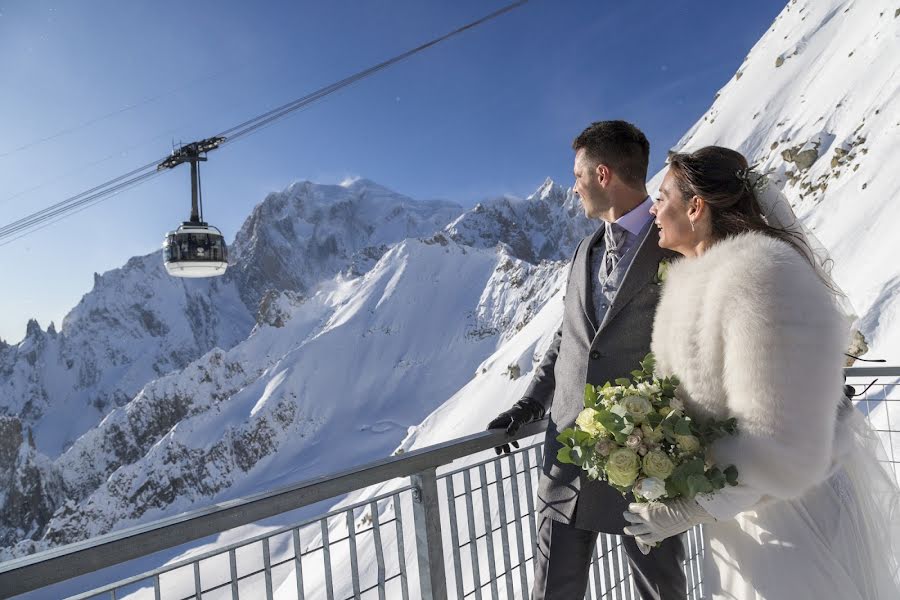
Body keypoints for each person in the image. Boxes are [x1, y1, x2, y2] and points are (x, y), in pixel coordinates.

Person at [623, 145, 900, 599]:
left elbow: (777, 444)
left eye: (663, 196)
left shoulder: (758, 278)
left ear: (695, 207)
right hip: (742, 527)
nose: (653, 208)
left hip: (798, 526)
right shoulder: (690, 282)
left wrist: (687, 509)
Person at [487, 120, 685, 600]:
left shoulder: (676, 246)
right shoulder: (584, 250)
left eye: (577, 176)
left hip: (643, 459)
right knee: (553, 591)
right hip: (566, 459)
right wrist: (531, 403)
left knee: (660, 591)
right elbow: (569, 337)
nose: (572, 188)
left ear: (602, 175)